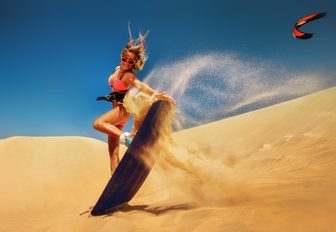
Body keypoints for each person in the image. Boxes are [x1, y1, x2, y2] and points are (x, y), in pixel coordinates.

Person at [93, 32, 176, 174]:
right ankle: (115, 180)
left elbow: (140, 85)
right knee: (113, 152)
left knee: (98, 124)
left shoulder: (129, 75)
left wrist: (156, 95)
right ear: (121, 57)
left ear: (135, 63)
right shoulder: (118, 70)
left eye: (130, 61)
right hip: (116, 117)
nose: (126, 63)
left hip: (122, 112)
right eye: (124, 59)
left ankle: (128, 139)